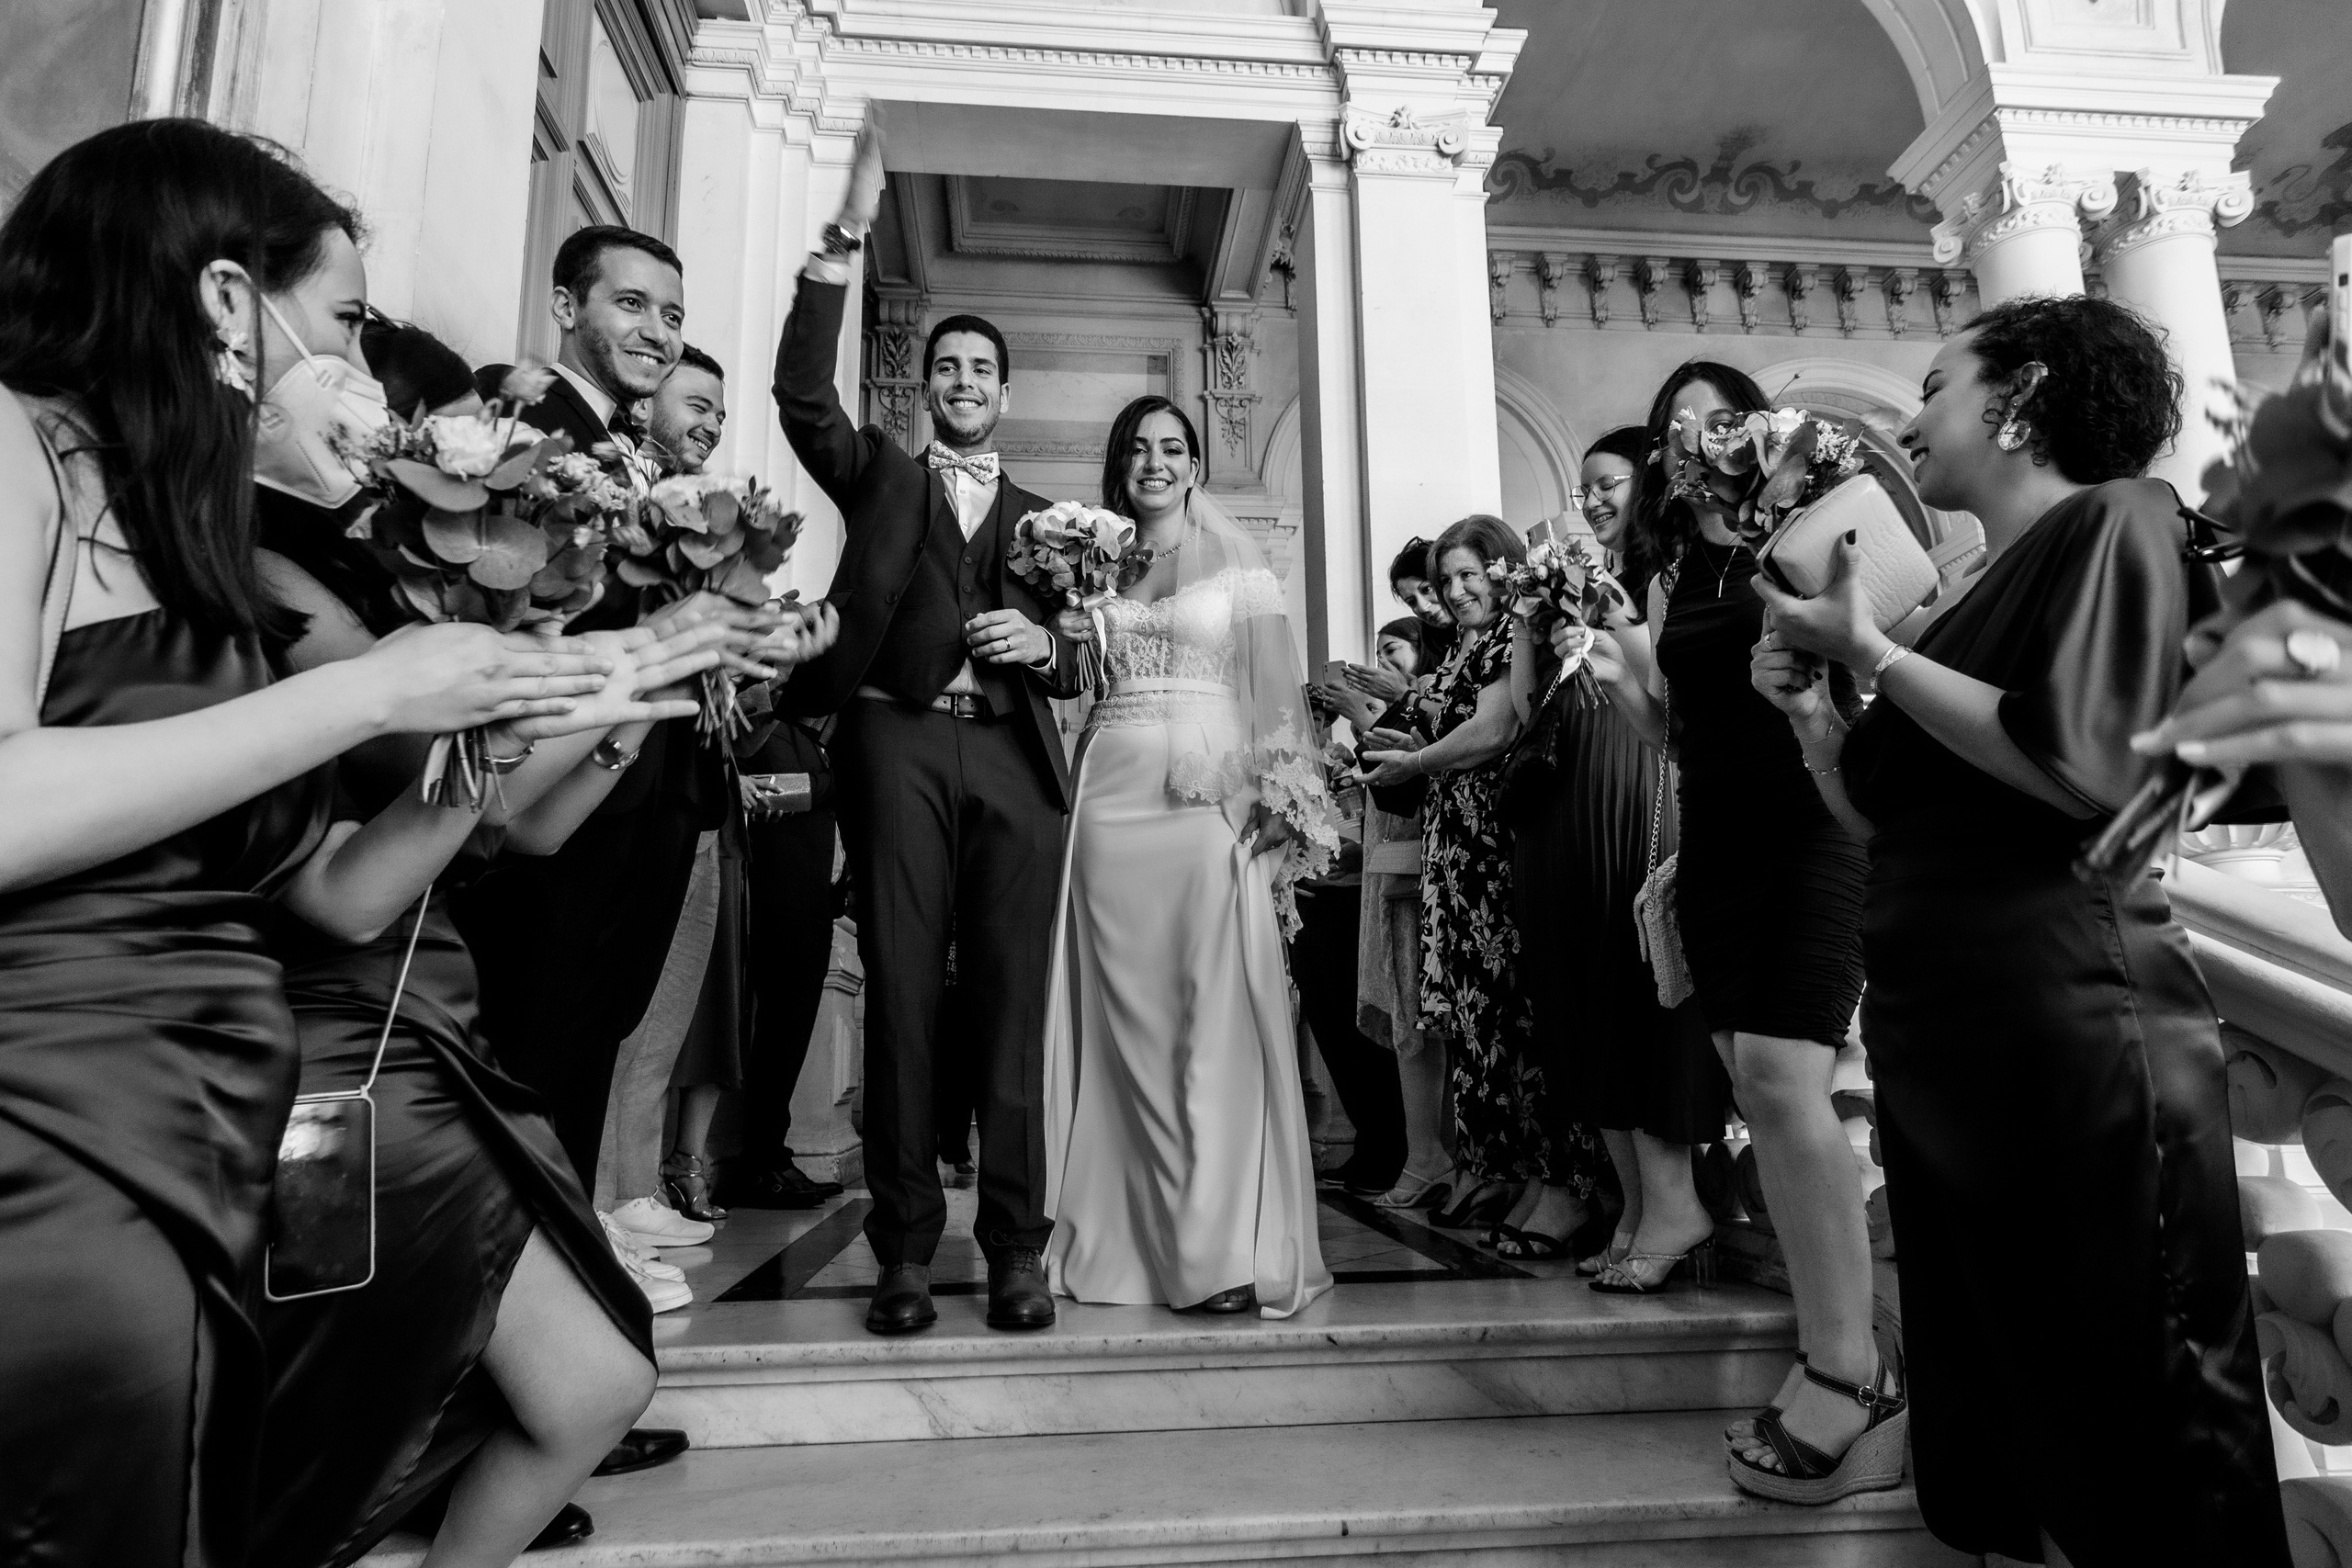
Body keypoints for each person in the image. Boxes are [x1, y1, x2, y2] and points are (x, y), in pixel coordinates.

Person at [0, 119, 612, 1568]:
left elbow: (320, 889)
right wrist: (368, 689)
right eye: (340, 319)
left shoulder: (185, 537)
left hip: (215, 1108)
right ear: (227, 298)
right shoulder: (16, 442)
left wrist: (473, 765)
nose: (356, 361)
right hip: (55, 1101)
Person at [249, 310, 793, 1565]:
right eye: (334, 321)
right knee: (324, 1354)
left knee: (578, 1367)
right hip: (331, 1038)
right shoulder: (289, 596)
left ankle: (442, 1477)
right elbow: (379, 860)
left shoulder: (385, 596)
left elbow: (513, 820)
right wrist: (629, 652)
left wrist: (631, 697)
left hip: (428, 1013)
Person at [1752, 297, 2289, 1557]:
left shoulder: (2119, 521)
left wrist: (1875, 652)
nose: (1911, 418)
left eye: (1935, 385)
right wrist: (1818, 719)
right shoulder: (1958, 599)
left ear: (2021, 393)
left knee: (2134, 1409)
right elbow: (1890, 826)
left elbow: (2089, 770)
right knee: (2009, 1411)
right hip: (1952, 1053)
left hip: (2074, 1031)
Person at [773, 117, 1082, 1337]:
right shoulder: (882, 476)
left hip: (1012, 757)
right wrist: (844, 236)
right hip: (896, 739)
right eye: (945, 367)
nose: (961, 383)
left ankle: (1015, 1248)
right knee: (900, 994)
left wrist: (1049, 644)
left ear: (1007, 393)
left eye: (981, 371)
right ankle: (903, 1251)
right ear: (923, 384)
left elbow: (1082, 658)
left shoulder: (1059, 520)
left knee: (1010, 1007)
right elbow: (803, 392)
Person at [1587, 361, 1878, 1499]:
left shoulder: (1807, 530)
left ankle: (1847, 1369)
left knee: (1782, 1072)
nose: (1692, 437)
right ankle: (1828, 1337)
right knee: (1750, 1085)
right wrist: (1620, 673)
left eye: (1714, 418)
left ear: (1754, 431)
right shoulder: (1667, 568)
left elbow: (1865, 653)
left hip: (1813, 817)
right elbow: (1676, 726)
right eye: (1673, 425)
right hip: (1713, 838)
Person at [1039, 396, 1339, 1317]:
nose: (1154, 462)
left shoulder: (1238, 563)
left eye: (1171, 448)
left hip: (1210, 806)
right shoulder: (1090, 563)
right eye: (1136, 447)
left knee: (1211, 1020)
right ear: (1118, 467)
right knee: (1125, 1024)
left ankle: (1215, 1250)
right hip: (1108, 805)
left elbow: (1279, 698)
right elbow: (1062, 670)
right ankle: (1126, 1237)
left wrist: (1281, 805)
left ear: (1196, 464)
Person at [452, 226, 722, 1225]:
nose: (657, 332)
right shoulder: (523, 415)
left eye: (672, 315)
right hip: (547, 780)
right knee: (539, 1027)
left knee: (593, 1023)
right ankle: (527, 1266)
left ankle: (572, 1241)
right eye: (633, 305)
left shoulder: (628, 450)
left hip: (632, 774)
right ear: (567, 307)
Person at [1504, 428, 1724, 1269]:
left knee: (1631, 988)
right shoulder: (1573, 582)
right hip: (1565, 794)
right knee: (1576, 994)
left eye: (1610, 484)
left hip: (1633, 780)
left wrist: (1602, 607)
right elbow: (1530, 707)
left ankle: (1674, 1202)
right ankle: (1637, 1205)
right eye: (1584, 487)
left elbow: (1663, 686)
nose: (1592, 500)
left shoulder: (1663, 576)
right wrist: (1536, 619)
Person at [1363, 517, 1605, 1243]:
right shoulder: (1468, 643)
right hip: (1454, 848)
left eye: (1471, 574)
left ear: (1503, 569)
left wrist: (1418, 760)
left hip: (1498, 843)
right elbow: (1452, 732)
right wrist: (1408, 747)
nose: (1458, 590)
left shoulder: (1513, 634)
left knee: (1516, 1013)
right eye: (1446, 581)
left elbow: (1500, 727)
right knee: (1475, 1019)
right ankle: (1513, 1170)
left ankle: (1564, 1179)